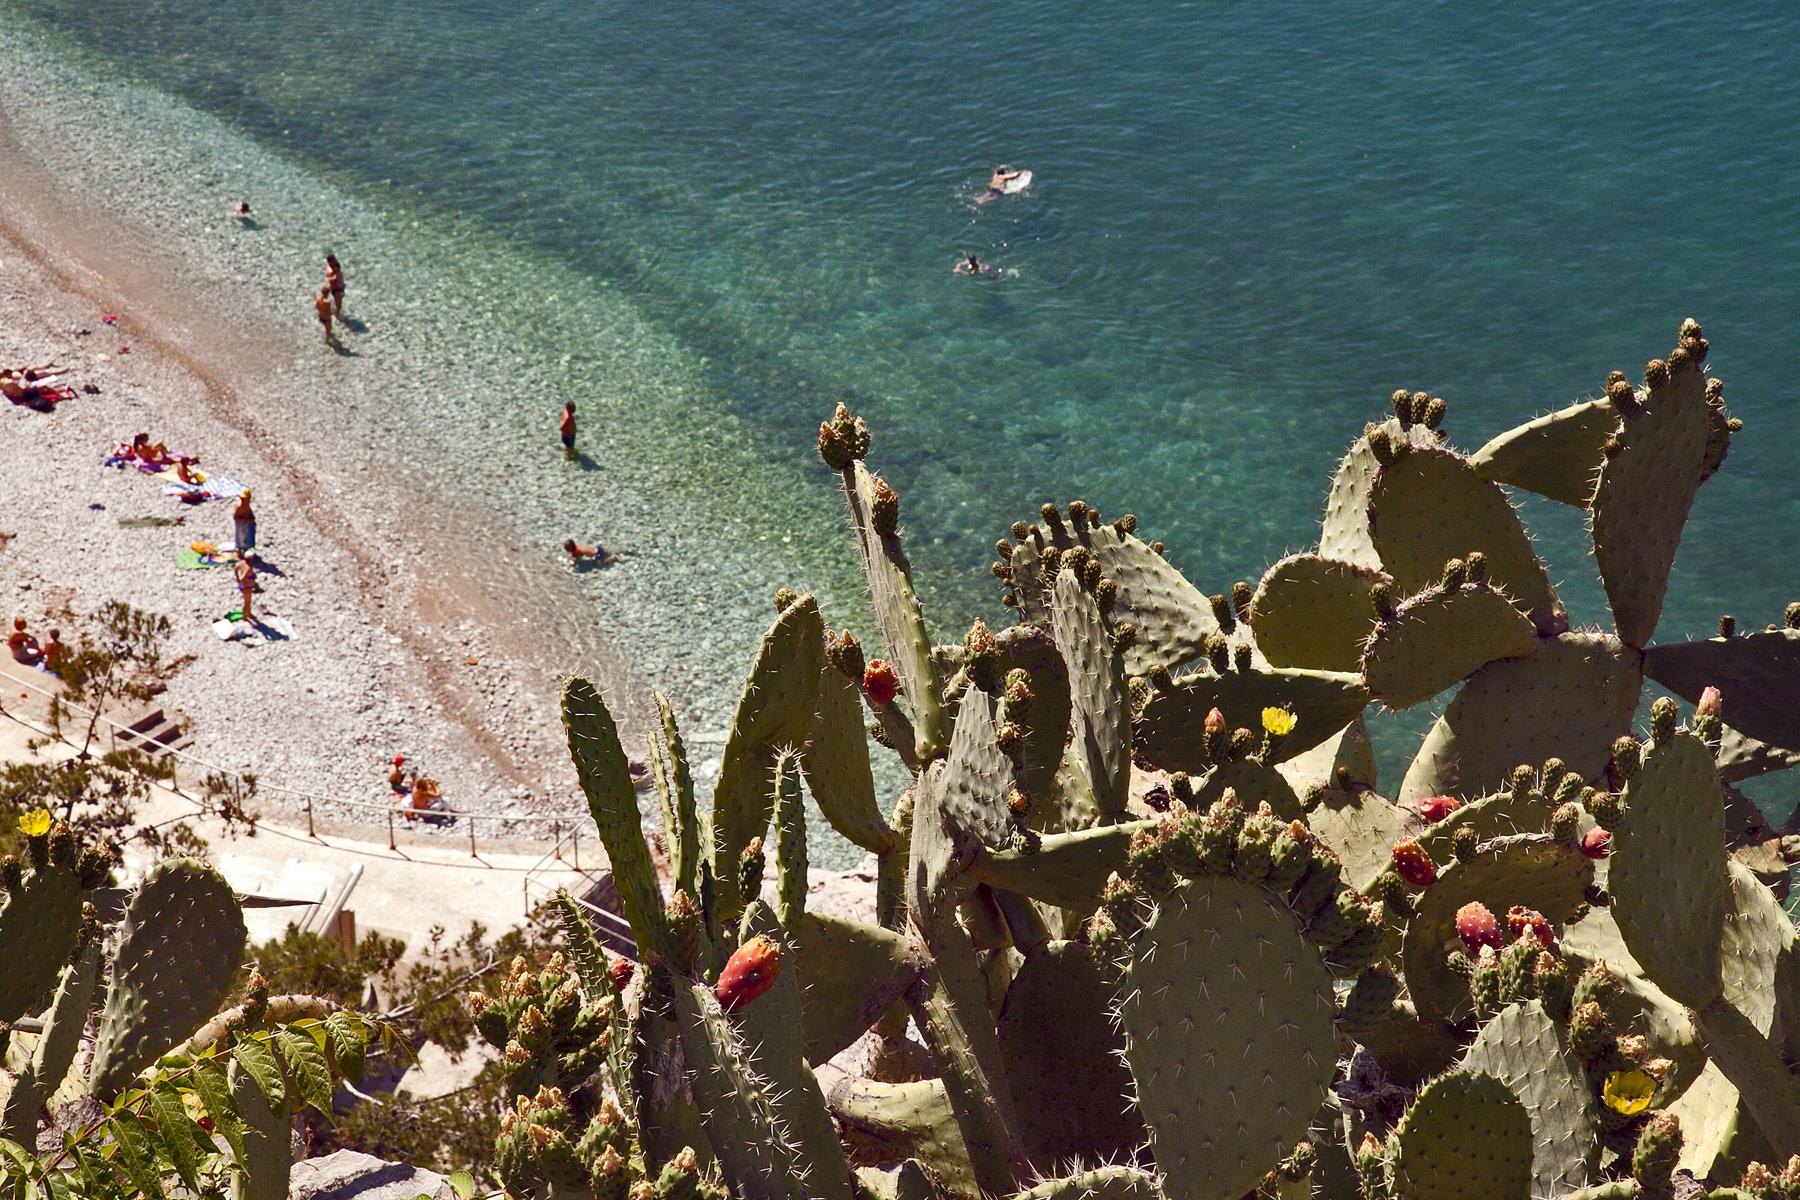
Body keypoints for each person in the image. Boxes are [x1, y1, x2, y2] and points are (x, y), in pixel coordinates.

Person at [233, 558, 260, 624]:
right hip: (247, 587)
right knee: (247, 602)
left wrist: (237, 578)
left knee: (248, 601)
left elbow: (235, 569)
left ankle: (249, 613)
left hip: (245, 586)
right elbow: (242, 578)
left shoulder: (242, 563)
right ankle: (245, 616)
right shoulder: (248, 568)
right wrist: (246, 580)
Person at [233, 489, 257, 556]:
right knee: (240, 535)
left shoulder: (247, 506)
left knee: (250, 534)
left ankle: (250, 549)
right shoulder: (240, 507)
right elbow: (235, 517)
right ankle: (240, 549)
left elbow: (251, 516)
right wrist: (244, 520)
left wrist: (250, 520)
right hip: (241, 523)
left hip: (247, 523)